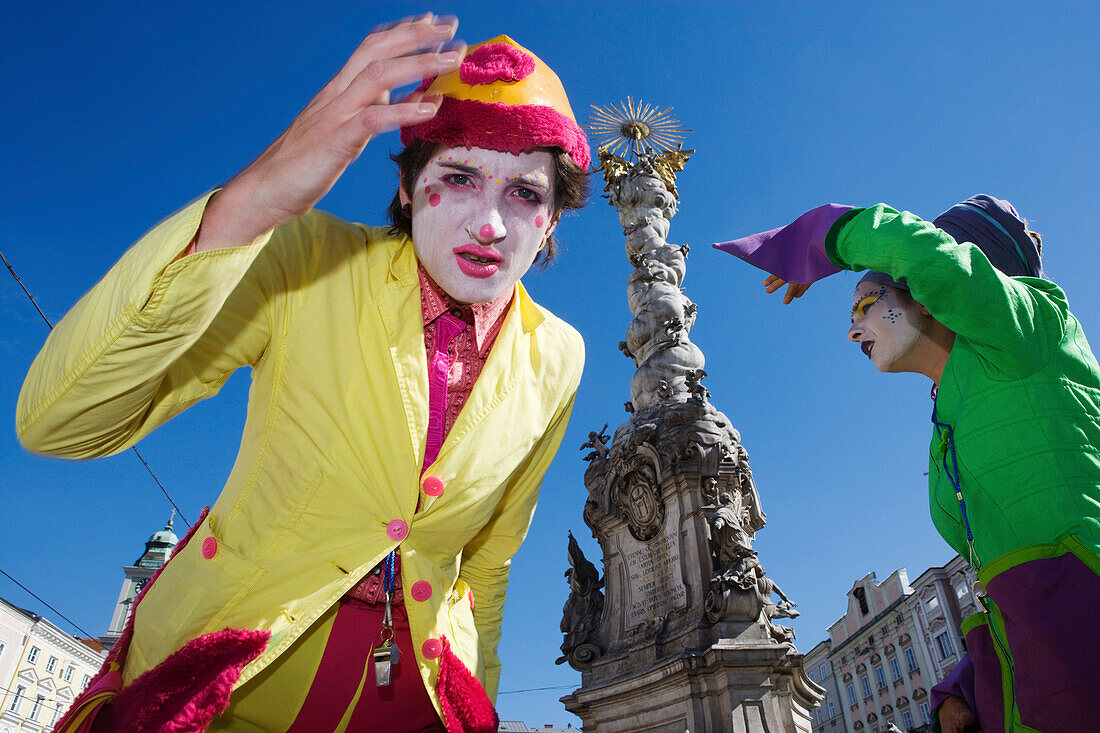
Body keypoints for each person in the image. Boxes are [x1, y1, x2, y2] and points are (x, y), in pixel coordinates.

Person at [17, 16, 590, 733]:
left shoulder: (559, 354)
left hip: (414, 706)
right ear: (410, 190)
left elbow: (487, 567)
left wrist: (477, 706)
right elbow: (59, 420)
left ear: (553, 221)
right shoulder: (306, 257)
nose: (491, 224)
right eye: (460, 176)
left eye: (526, 195)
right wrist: (251, 203)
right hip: (220, 684)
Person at [714, 195, 1100, 733]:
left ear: (926, 295)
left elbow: (929, 258)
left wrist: (817, 241)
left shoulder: (1033, 331)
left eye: (865, 305)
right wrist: (963, 687)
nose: (853, 331)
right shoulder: (953, 409)